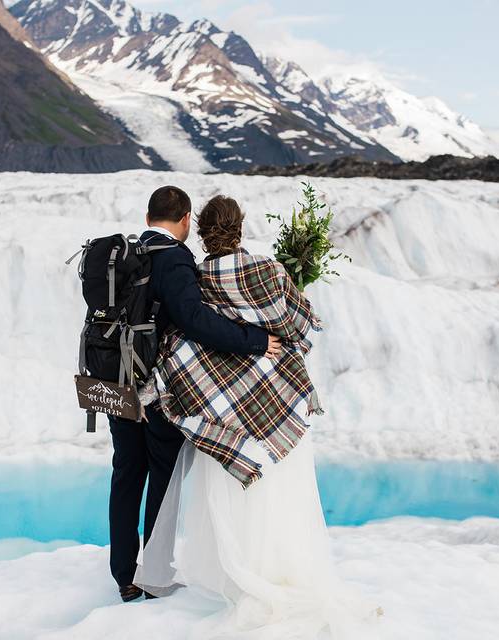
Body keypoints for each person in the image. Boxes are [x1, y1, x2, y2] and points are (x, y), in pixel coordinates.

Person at [135, 195, 380, 637]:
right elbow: (300, 325)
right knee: (281, 491)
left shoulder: (198, 276)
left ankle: (238, 573)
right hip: (275, 396)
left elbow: (188, 328)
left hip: (224, 407)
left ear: (202, 230)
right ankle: (284, 570)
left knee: (234, 494)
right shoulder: (268, 270)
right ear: (239, 228)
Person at [107, 186, 283, 603]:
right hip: (156, 391)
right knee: (162, 480)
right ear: (186, 219)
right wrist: (253, 340)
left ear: (149, 216)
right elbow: (194, 319)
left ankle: (124, 575)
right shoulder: (174, 259)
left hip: (113, 382)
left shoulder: (125, 254)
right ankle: (154, 576)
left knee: (127, 475)